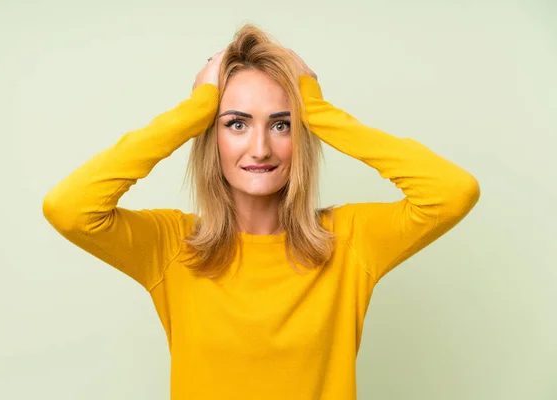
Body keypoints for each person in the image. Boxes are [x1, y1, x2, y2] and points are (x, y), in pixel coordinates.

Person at [43, 24, 480, 400]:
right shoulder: (171, 247)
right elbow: (70, 208)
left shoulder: (349, 242)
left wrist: (320, 112)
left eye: (281, 123)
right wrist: (195, 108)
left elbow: (452, 191)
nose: (260, 148)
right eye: (236, 123)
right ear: (210, 134)